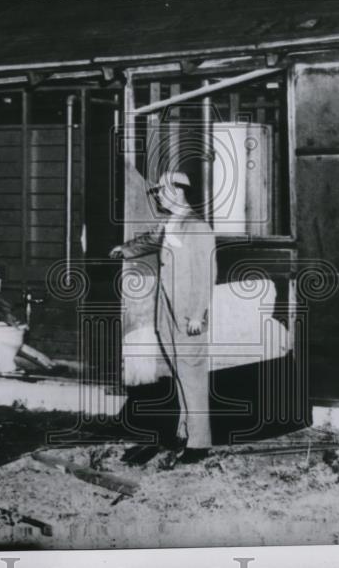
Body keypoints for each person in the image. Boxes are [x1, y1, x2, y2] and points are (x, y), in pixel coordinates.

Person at [110, 170, 215, 463]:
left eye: (160, 192)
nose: (157, 196)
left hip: (188, 315)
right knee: (180, 372)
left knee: (192, 375)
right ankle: (184, 431)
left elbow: (207, 275)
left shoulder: (198, 228)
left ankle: (199, 442)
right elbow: (149, 241)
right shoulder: (170, 222)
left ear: (176, 191)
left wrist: (198, 314)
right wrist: (125, 250)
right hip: (166, 311)